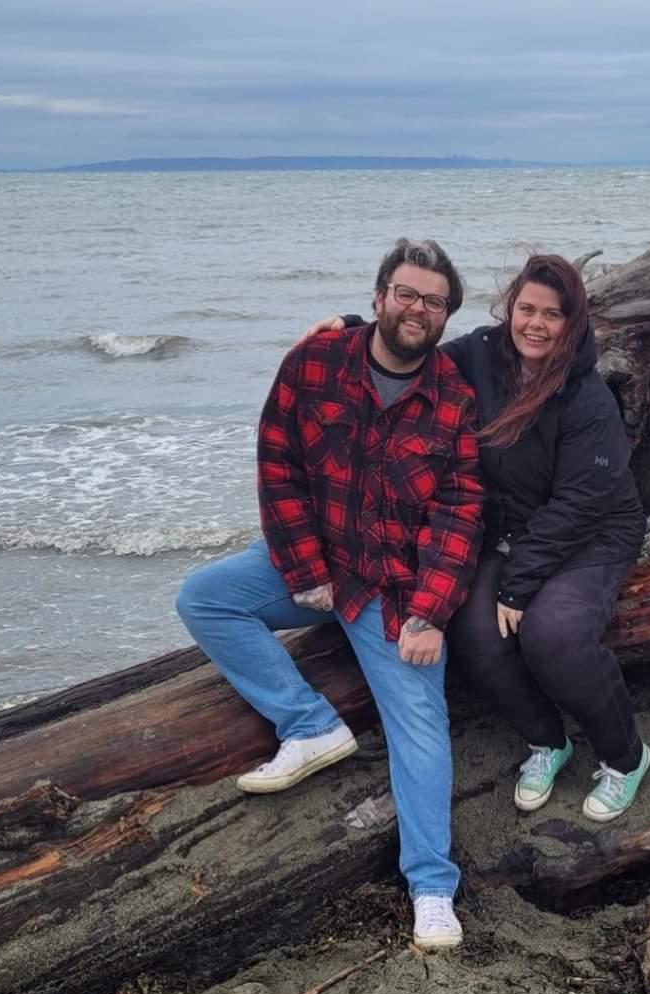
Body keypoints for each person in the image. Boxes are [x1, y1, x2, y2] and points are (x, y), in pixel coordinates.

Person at [176, 238, 484, 950]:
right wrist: (304, 564)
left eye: (434, 302)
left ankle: (433, 888)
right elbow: (277, 461)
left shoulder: (452, 399)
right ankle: (309, 724)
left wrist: (430, 613)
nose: (418, 309)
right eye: (406, 294)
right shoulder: (313, 363)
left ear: (446, 317)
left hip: (394, 588)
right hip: (315, 566)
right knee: (206, 597)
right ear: (378, 297)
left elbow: (460, 512)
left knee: (419, 724)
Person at [306, 254, 650, 823]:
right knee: (473, 633)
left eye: (553, 314)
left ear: (574, 323)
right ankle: (548, 742)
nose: (535, 325)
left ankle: (625, 756)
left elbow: (581, 502)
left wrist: (516, 586)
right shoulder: (483, 357)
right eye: (526, 309)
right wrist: (349, 328)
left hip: (591, 533)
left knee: (555, 635)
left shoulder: (587, 398)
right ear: (509, 309)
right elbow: (410, 355)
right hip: (513, 528)